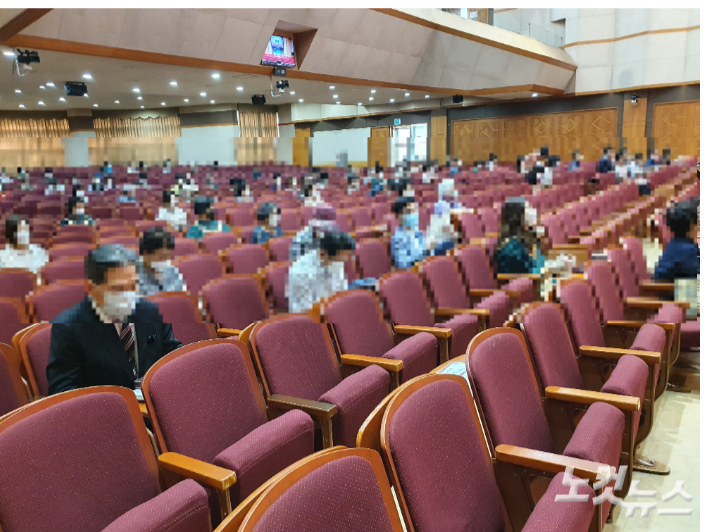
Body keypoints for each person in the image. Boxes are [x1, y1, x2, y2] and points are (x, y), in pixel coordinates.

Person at [46, 244, 183, 395]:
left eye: (133, 286)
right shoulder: (68, 328)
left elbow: (172, 357)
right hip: (107, 407)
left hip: (155, 400)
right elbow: (64, 391)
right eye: (118, 288)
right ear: (92, 289)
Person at [286, 230, 355, 313]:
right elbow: (305, 308)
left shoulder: (336, 260)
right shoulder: (301, 273)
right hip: (309, 315)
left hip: (332, 309)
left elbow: (341, 290)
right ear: (323, 254)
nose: (347, 260)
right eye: (344, 257)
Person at [494, 197, 544, 275]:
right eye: (528, 209)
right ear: (517, 217)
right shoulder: (510, 247)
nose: (533, 212)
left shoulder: (527, 238)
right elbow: (531, 271)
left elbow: (539, 264)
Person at [654, 199, 700, 282]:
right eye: (697, 224)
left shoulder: (673, 244)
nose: (698, 229)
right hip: (671, 289)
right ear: (691, 226)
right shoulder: (688, 250)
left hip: (677, 286)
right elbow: (696, 277)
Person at [137, 228, 185, 297]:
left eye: (168, 256)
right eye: (162, 257)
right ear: (146, 254)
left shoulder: (172, 271)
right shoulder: (133, 277)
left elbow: (181, 296)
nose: (166, 261)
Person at [391, 197, 430, 269]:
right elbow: (402, 263)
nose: (413, 215)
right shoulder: (398, 238)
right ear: (398, 216)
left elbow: (428, 250)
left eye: (414, 211)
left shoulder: (417, 231)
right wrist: (422, 254)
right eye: (409, 212)